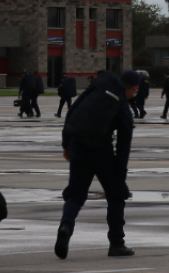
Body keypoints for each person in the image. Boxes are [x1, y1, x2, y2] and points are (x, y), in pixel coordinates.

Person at [55, 69, 139, 259]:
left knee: (75, 195)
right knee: (116, 196)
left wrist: (67, 144)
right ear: (133, 88)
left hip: (78, 148)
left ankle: (66, 226)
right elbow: (124, 143)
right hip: (102, 153)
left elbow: (73, 113)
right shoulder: (122, 106)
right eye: (135, 91)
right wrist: (120, 173)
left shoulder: (97, 88)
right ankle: (117, 243)